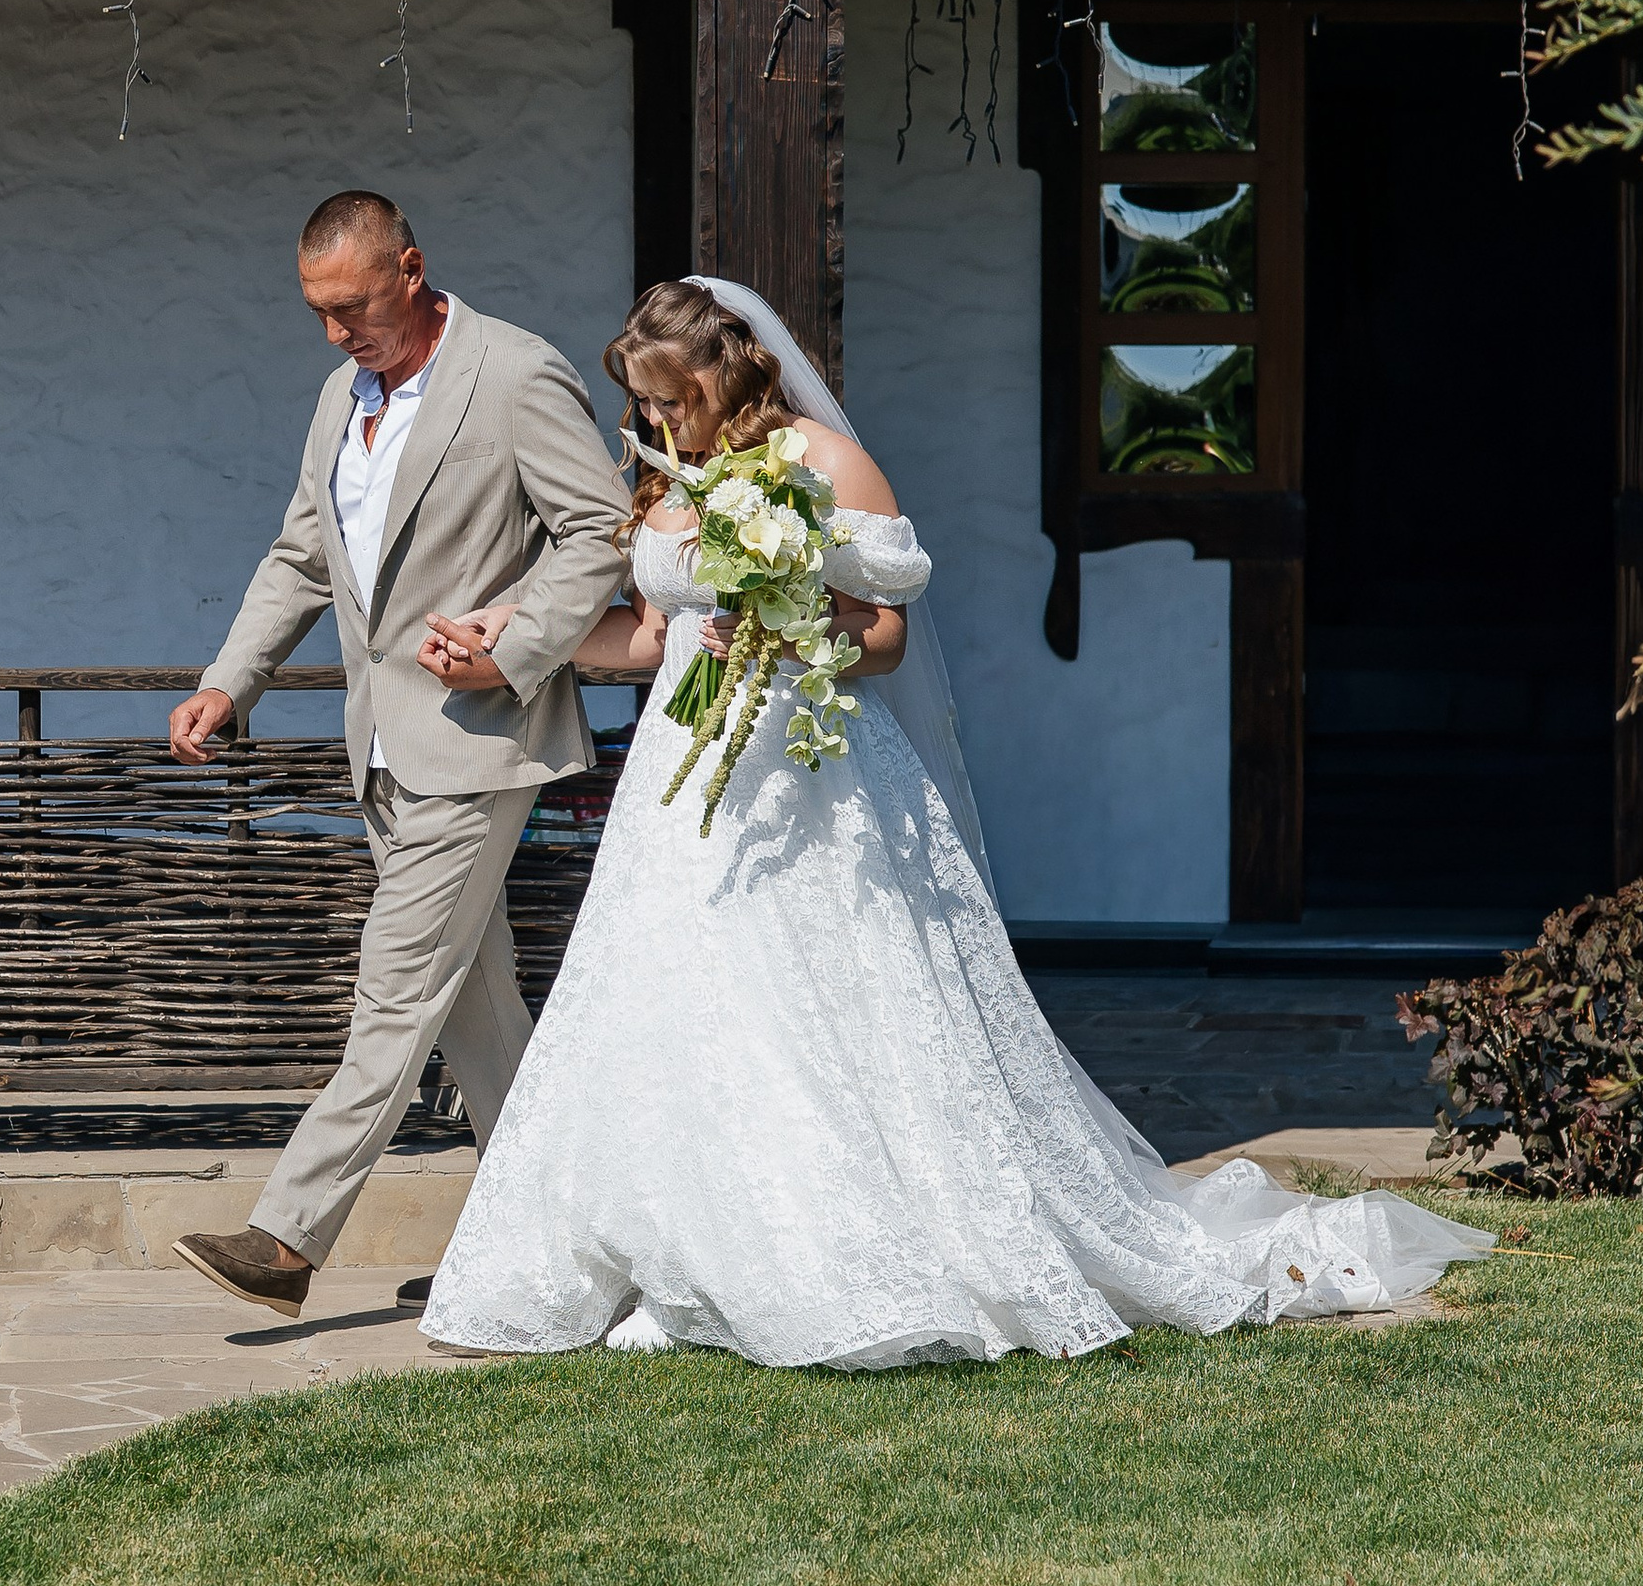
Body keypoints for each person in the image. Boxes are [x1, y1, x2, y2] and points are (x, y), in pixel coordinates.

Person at [422, 276, 1494, 1367]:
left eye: (668, 398)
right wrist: (516, 647)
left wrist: (797, 631)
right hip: (684, 777)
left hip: (814, 773)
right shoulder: (673, 476)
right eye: (643, 406)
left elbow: (883, 636)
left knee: (830, 1010)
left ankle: (834, 1261)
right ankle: (687, 1260)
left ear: (724, 371)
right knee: (673, 1005)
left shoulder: (825, 465)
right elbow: (655, 639)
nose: (655, 423)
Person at [167, 193, 631, 1317]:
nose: (336, 333)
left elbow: (601, 532)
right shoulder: (339, 397)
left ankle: (287, 1240)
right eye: (318, 313)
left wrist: (512, 651)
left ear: (412, 270)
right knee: (476, 1015)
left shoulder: (515, 374)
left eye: (353, 307)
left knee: (393, 997)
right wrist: (232, 679)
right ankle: (564, 1251)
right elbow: (300, 556)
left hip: (480, 745)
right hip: (379, 747)